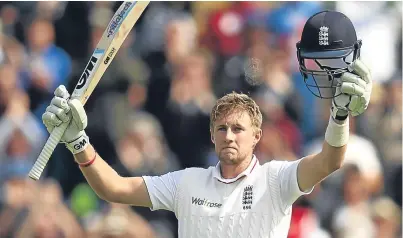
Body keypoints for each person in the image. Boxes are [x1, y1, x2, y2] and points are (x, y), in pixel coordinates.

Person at [41, 10, 372, 237]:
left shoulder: (276, 179)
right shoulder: (186, 184)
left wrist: (339, 115)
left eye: (238, 129)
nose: (229, 136)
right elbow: (112, 187)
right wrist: (77, 140)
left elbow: (331, 160)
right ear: (212, 137)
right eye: (222, 129)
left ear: (257, 136)